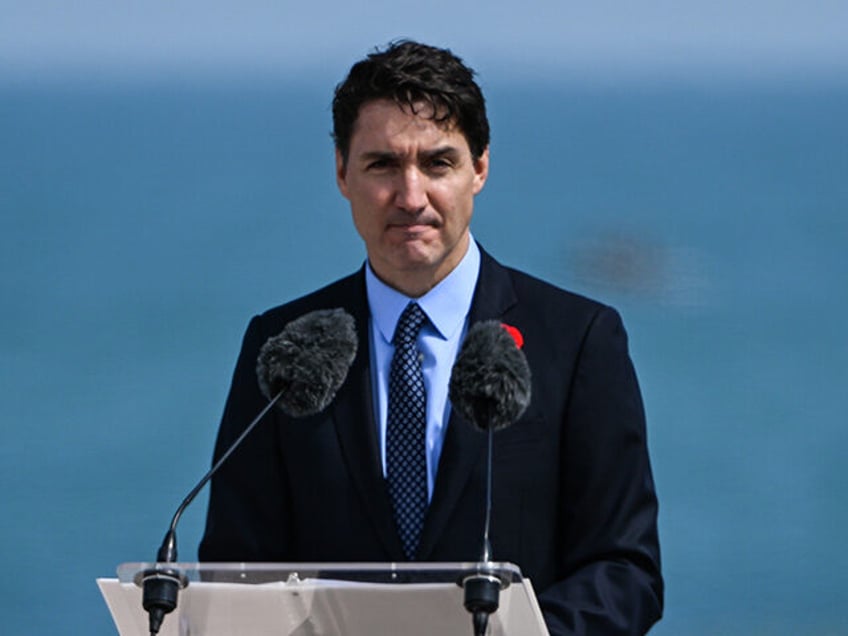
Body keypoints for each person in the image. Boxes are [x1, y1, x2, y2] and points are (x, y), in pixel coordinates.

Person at [199, 40, 663, 635]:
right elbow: (235, 571)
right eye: (383, 165)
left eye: (437, 164)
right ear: (341, 171)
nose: (411, 196)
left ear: (480, 169)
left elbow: (625, 570)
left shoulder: (577, 341)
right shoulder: (285, 347)